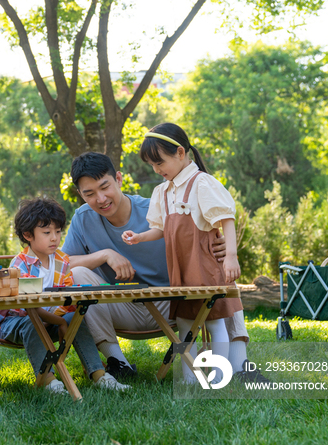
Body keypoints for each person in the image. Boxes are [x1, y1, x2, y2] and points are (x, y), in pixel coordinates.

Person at [62, 151, 267, 384]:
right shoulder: (82, 218)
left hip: (172, 302)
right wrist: (105, 255)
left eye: (104, 187)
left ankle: (240, 364)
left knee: (219, 268)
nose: (100, 199)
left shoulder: (157, 207)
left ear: (118, 179)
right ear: (80, 194)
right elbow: (62, 263)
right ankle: (119, 363)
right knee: (77, 273)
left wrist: (219, 246)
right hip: (120, 306)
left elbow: (197, 235)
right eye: (89, 193)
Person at [121, 123, 242, 384]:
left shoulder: (202, 183)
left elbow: (226, 218)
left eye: (159, 162)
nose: (156, 170)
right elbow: (160, 228)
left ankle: (219, 378)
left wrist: (231, 255)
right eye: (152, 165)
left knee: (214, 322)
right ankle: (189, 378)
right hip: (181, 271)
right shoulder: (162, 191)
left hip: (206, 268)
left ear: (179, 152)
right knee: (186, 322)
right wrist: (140, 236)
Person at [0, 198, 129, 393]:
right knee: (32, 323)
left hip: (49, 320)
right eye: (47, 233)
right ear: (28, 235)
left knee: (77, 319)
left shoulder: (61, 261)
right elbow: (29, 306)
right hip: (15, 323)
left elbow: (67, 297)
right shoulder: (20, 264)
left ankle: (99, 374)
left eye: (58, 232)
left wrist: (62, 317)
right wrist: (58, 322)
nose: (54, 238)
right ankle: (47, 379)